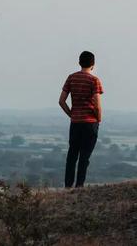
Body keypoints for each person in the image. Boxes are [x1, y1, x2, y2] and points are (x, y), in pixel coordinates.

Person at [59, 51, 104, 188]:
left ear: (79, 62)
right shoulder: (94, 80)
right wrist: (99, 118)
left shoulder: (71, 78)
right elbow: (97, 104)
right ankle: (79, 186)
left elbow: (61, 101)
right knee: (84, 157)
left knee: (72, 155)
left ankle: (68, 186)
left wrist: (72, 115)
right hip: (90, 123)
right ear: (93, 65)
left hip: (75, 123)